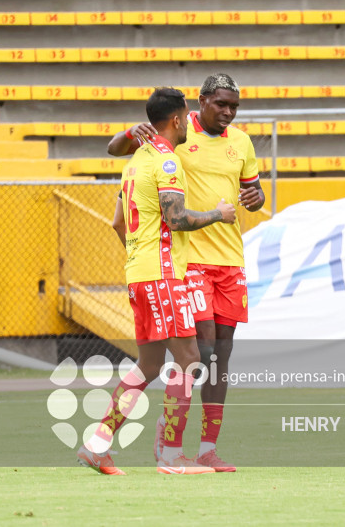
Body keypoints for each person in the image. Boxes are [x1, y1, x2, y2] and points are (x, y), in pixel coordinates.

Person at [107, 74, 265, 472]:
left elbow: (253, 192)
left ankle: (207, 446)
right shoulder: (174, 135)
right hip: (187, 260)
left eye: (234, 107)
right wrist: (129, 133)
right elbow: (117, 151)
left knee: (220, 356)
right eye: (221, 105)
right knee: (199, 351)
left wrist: (255, 197)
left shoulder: (242, 143)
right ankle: (171, 440)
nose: (228, 113)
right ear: (200, 103)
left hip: (230, 260)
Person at [77, 87, 236, 476]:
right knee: (189, 359)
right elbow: (177, 218)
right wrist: (218, 213)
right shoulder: (167, 162)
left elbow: (118, 222)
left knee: (149, 366)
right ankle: (170, 454)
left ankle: (97, 445)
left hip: (139, 274)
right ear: (179, 119)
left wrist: (140, 256)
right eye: (186, 119)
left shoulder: (134, 162)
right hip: (164, 275)